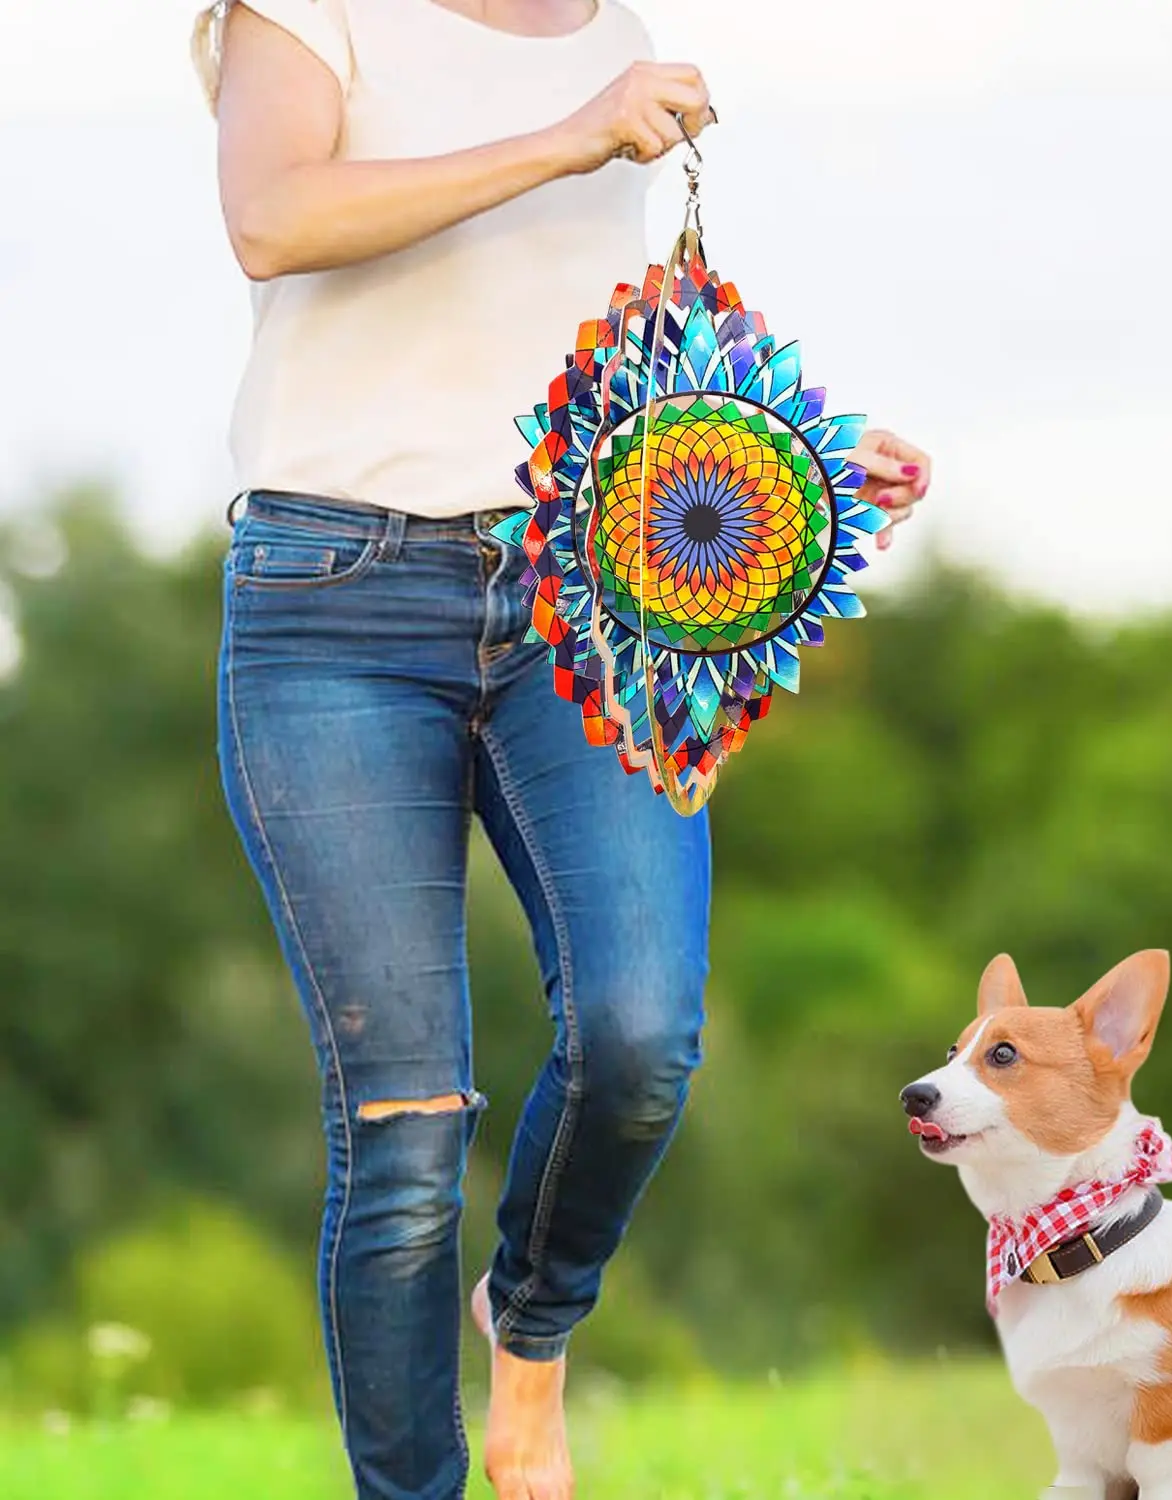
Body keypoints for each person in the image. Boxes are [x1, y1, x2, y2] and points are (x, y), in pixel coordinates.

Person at [192, 3, 931, 1498]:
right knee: (403, 1137)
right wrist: (566, 134)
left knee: (642, 1033)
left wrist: (783, 457)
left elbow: (564, 356)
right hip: (332, 595)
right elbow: (272, 220)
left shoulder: (620, 27)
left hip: (583, 600)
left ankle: (530, 1318)